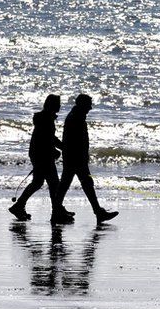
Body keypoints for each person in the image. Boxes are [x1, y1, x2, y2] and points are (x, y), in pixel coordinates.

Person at [9, 94, 74, 224]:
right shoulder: (46, 119)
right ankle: (57, 211)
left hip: (38, 154)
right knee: (54, 184)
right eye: (57, 104)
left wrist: (61, 147)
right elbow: (46, 139)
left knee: (39, 183)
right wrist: (57, 150)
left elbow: (49, 138)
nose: (59, 107)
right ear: (50, 105)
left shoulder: (45, 118)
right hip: (42, 155)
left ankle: (19, 206)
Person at [57, 94, 118, 224]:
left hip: (74, 157)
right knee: (78, 184)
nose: (90, 107)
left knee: (73, 184)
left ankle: (97, 211)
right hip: (75, 158)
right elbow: (75, 141)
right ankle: (97, 212)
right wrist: (81, 156)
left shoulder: (76, 116)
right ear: (82, 104)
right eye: (89, 104)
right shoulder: (75, 118)